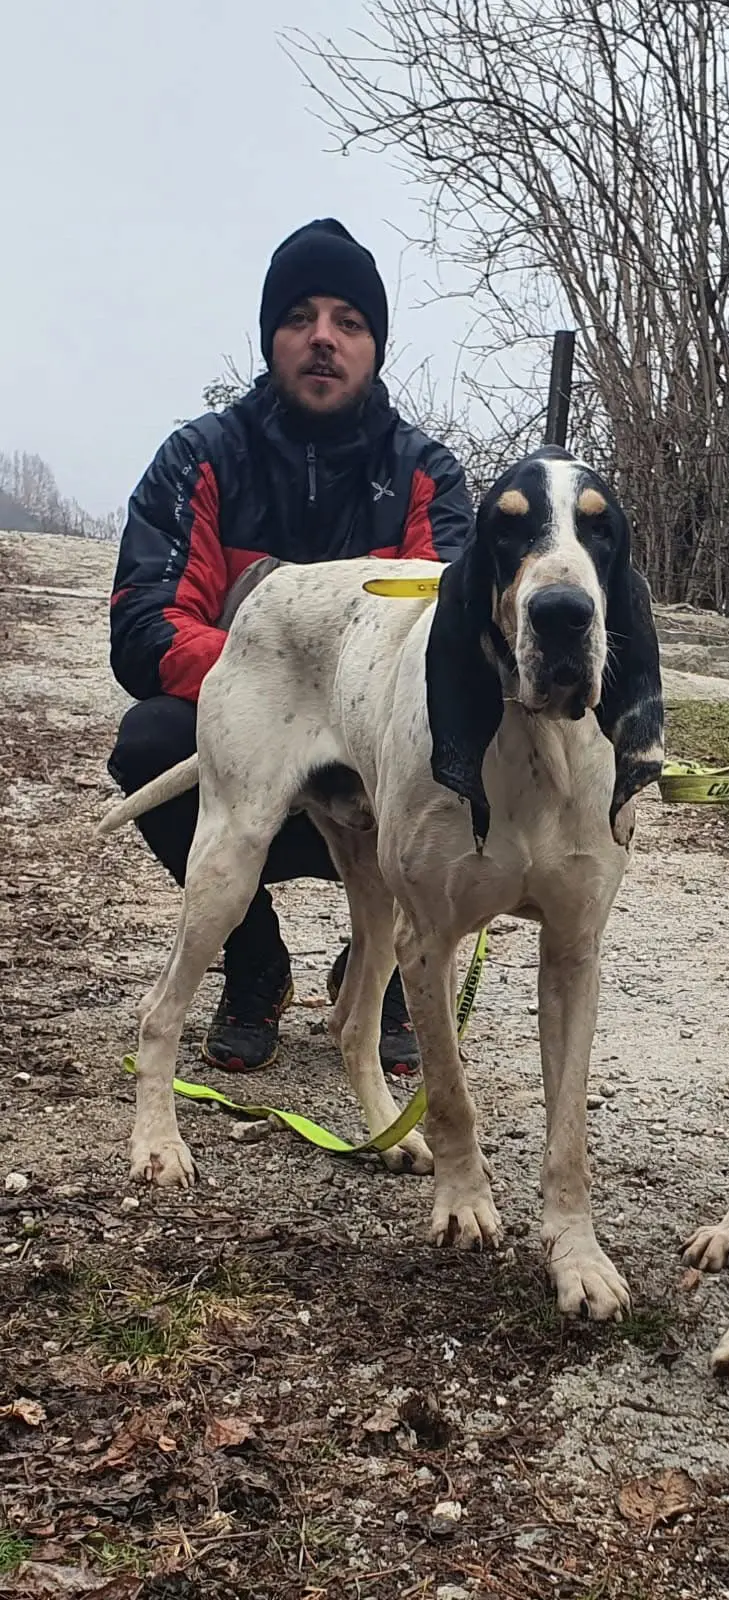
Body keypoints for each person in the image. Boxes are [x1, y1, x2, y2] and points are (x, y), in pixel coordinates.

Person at [106, 218, 473, 1077]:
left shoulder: (428, 476)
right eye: (300, 316)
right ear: (269, 336)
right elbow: (143, 625)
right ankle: (253, 959)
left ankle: (383, 975)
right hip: (248, 760)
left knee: (469, 764)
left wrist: (340, 697)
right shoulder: (199, 459)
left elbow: (452, 646)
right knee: (151, 740)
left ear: (376, 345)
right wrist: (274, 688)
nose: (322, 338)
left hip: (381, 769)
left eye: (348, 320)